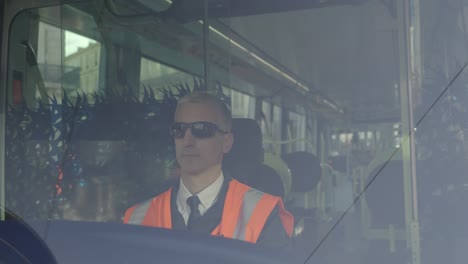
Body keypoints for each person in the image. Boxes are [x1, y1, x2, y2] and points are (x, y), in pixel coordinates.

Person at [123, 91, 293, 248]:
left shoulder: (263, 215)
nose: (188, 141)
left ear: (226, 142)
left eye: (202, 130)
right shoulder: (137, 218)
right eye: (179, 130)